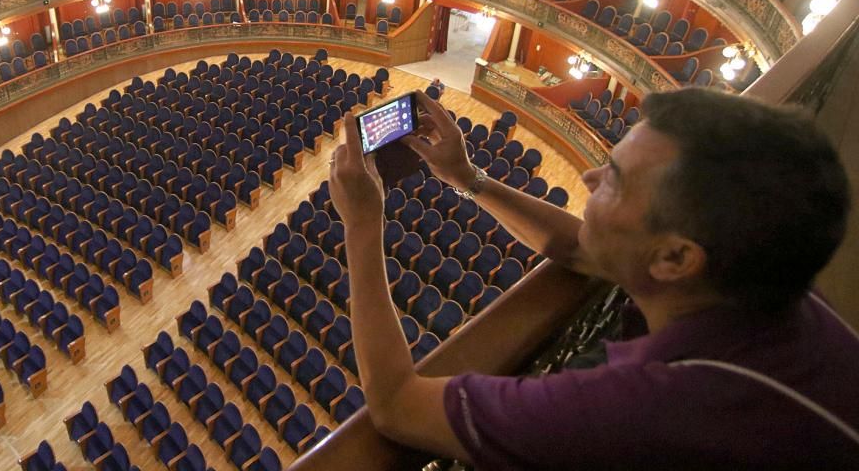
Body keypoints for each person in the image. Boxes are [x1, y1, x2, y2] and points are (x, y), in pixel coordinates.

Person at [328, 87, 858, 468]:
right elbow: (576, 249)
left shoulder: (648, 411)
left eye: (615, 179)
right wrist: (468, 178)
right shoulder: (753, 284)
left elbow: (396, 404)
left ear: (674, 259)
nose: (588, 176)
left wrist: (360, 222)